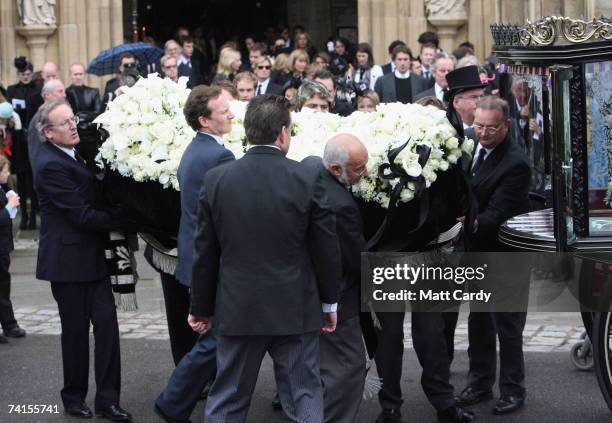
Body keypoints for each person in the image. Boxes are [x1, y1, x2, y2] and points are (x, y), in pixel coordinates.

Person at [190, 94, 341, 423]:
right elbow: (326, 247)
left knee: (228, 397)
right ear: (283, 133)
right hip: (296, 307)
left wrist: (200, 307)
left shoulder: (217, 180)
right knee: (304, 396)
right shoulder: (307, 178)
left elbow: (205, 252)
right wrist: (330, 303)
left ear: (247, 132)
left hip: (238, 306)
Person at [34, 99, 131, 422]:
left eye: (72, 119)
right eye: (64, 123)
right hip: (67, 262)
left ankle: (108, 400)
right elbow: (82, 215)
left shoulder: (76, 152)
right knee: (75, 334)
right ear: (49, 133)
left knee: (107, 330)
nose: (73, 125)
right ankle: (73, 398)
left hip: (92, 259)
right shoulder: (49, 164)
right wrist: (124, 217)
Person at [154, 85, 235, 422]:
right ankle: (172, 402)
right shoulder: (218, 155)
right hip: (211, 263)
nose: (231, 114)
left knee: (217, 339)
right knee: (215, 341)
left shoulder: (197, 149)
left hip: (196, 257)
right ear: (204, 119)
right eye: (224, 110)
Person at [455, 96, 531, 416]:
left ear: (507, 126)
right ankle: (480, 382)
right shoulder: (469, 143)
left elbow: (496, 215)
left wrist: (462, 223)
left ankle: (513, 389)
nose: (482, 133)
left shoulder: (515, 163)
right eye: (478, 126)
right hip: (477, 252)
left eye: (491, 128)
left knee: (507, 325)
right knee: (479, 320)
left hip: (504, 252)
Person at [302, 134, 369, 423]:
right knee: (348, 368)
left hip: (303, 289)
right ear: (335, 169)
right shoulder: (341, 205)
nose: (365, 173)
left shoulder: (309, 166)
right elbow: (356, 260)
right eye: (358, 169)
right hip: (337, 297)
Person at [0, 155, 24, 342]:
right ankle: (9, 324)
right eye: (5, 171)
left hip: (3, 246)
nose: (8, 174)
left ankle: (9, 324)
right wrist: (8, 208)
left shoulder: (3, 188)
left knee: (3, 285)